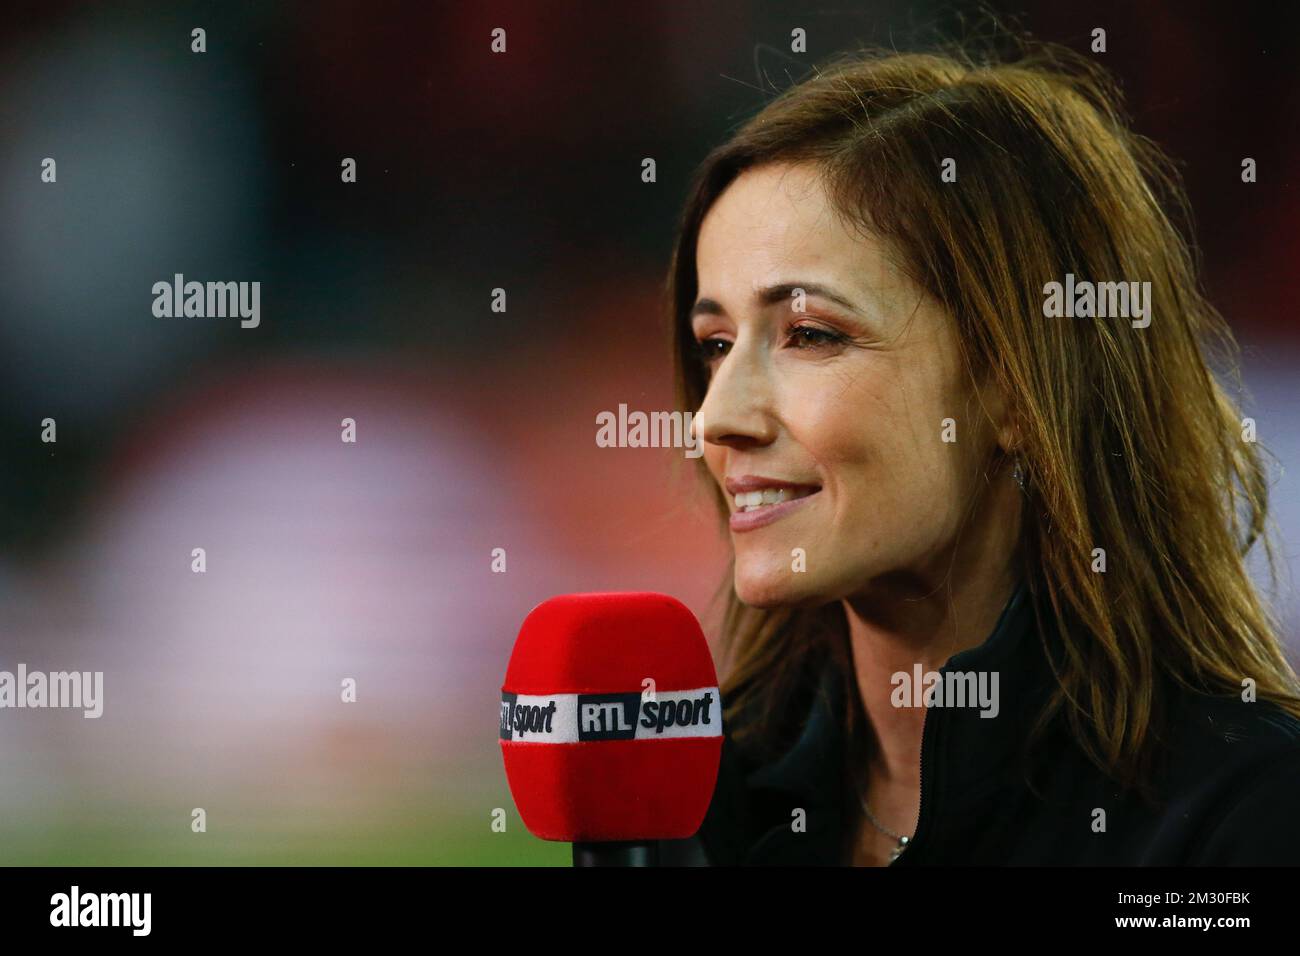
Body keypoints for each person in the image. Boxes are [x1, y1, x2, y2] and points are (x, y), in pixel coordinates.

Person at [657, 39, 1300, 865]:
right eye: (714, 344)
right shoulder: (696, 812)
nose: (716, 416)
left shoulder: (1241, 817)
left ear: (1018, 389)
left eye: (810, 333)